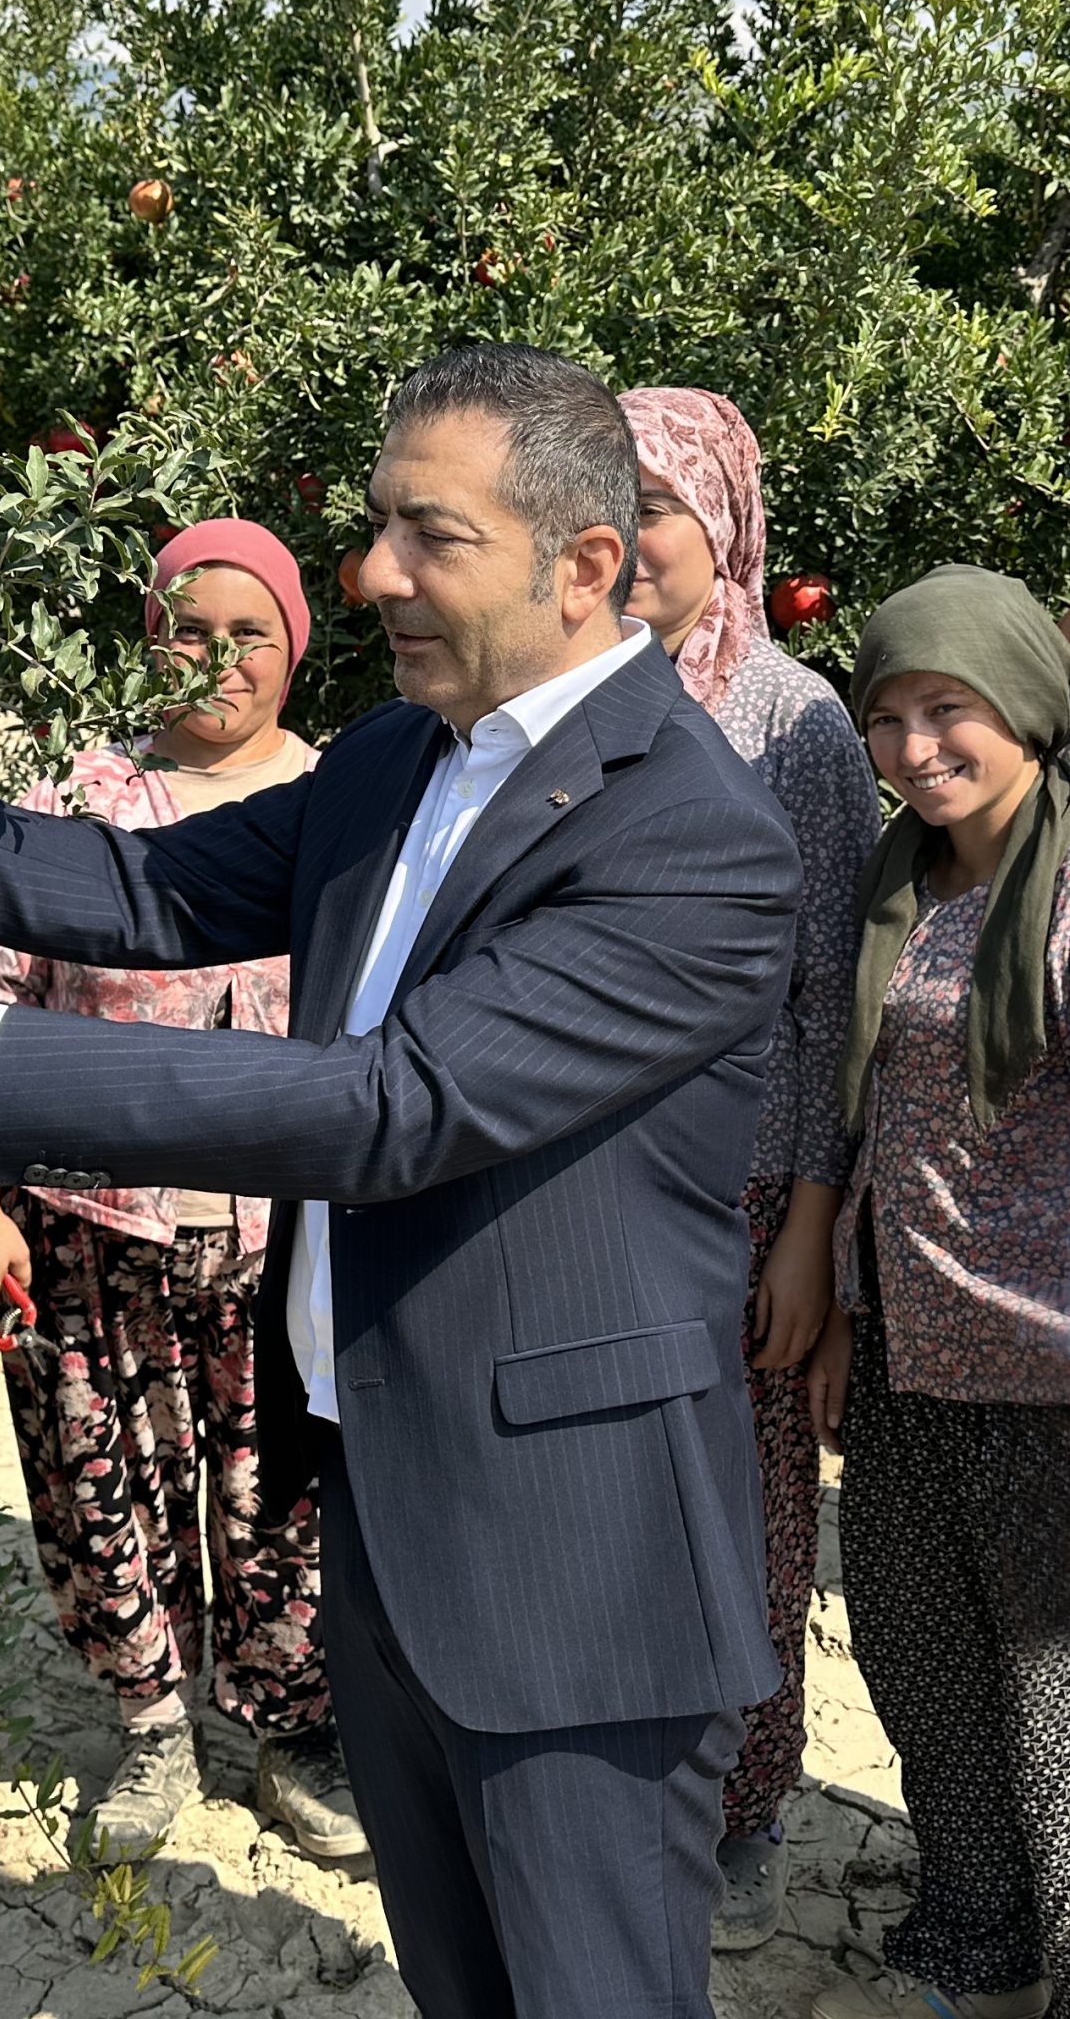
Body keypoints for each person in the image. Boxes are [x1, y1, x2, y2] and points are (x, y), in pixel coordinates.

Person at [0, 341, 804, 2019]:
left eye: (430, 535)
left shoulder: (690, 837)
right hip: (385, 1503)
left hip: (573, 1564)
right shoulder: (399, 758)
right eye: (376, 525)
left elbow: (396, 1108)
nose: (372, 574)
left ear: (586, 565)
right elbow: (137, 888)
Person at [0, 520, 364, 1861]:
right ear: (149, 641)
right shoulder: (82, 800)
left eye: (252, 635)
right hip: (93, 1225)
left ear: (295, 649)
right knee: (103, 1475)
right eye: (191, 631)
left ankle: (296, 1730)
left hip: (290, 1232)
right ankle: (151, 1726)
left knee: (283, 1487)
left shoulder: (346, 800)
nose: (220, 661)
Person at [621, 386, 882, 1949]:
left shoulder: (795, 720)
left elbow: (832, 995)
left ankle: (747, 1800)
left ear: (720, 526)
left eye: (657, 505)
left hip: (744, 1193)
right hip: (595, 1183)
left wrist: (806, 1229)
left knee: (752, 1511)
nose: (626, 536)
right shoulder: (564, 695)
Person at [804, 566, 1070, 2019]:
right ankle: (978, 1936)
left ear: (1024, 703)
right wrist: (845, 1309)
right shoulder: (897, 884)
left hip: (1045, 1369)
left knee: (1053, 1696)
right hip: (907, 1349)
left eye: (948, 708)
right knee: (926, 1671)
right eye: (887, 717)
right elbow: (864, 1116)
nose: (915, 748)